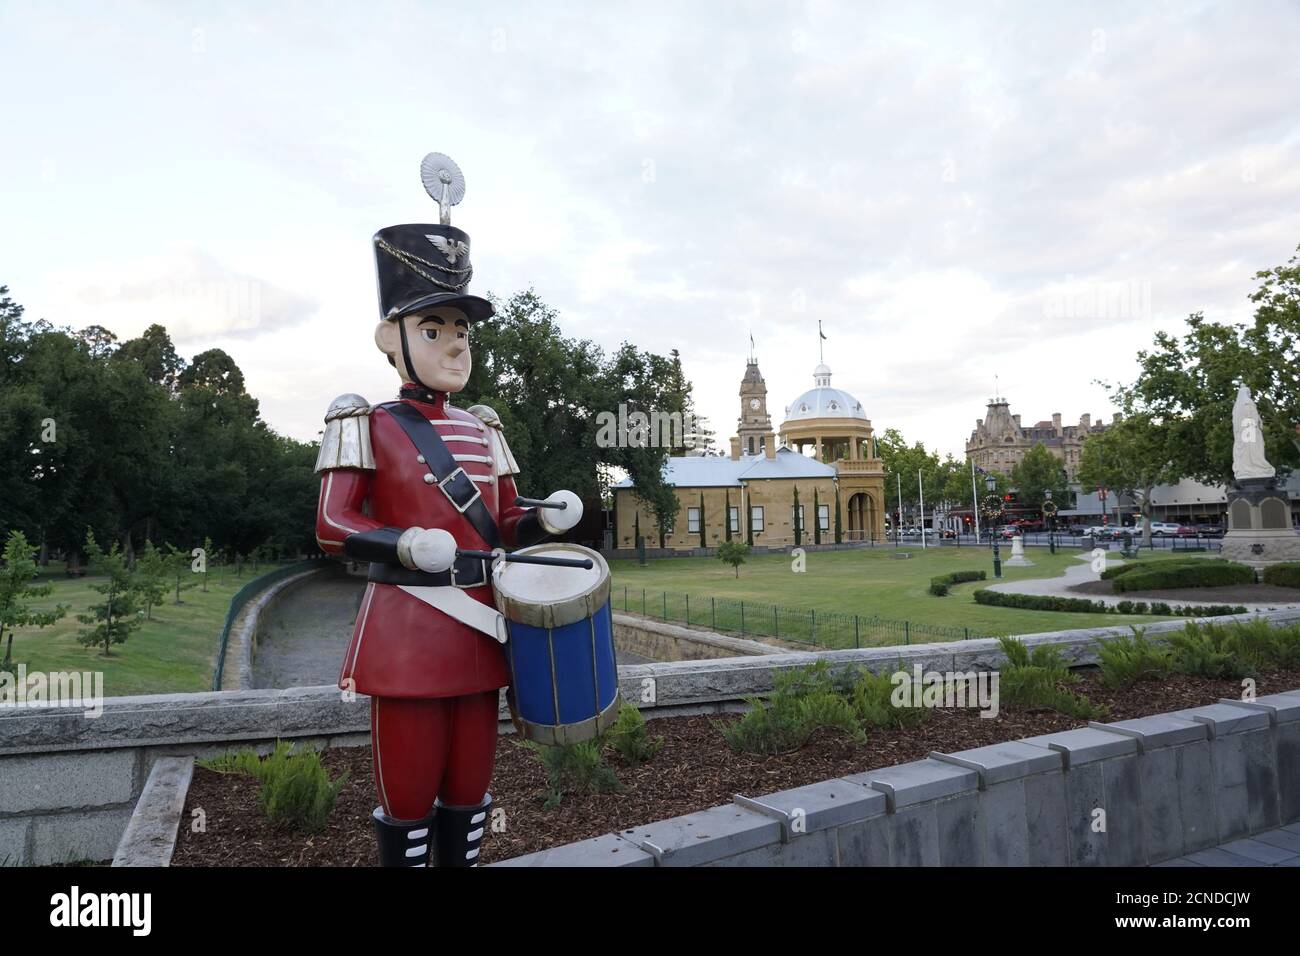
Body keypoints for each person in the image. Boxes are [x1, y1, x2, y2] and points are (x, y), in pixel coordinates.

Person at [314, 156, 582, 866]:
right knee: (407, 788)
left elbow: (501, 522)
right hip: (408, 627)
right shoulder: (362, 421)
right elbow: (333, 526)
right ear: (391, 339)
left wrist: (545, 517)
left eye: (462, 329)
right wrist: (403, 545)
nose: (457, 342)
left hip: (481, 623)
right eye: (434, 328)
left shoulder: (485, 426)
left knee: (471, 784)